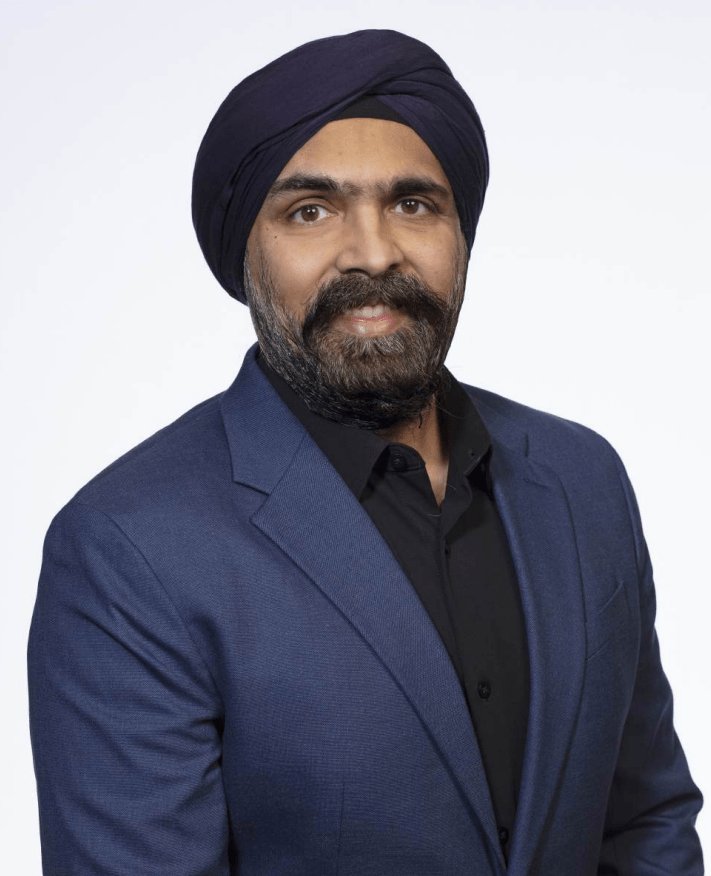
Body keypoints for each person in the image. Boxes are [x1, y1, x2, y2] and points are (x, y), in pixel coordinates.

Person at [27, 29, 703, 876]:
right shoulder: (128, 547)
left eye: (413, 204)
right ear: (245, 250)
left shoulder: (582, 478)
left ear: (460, 233)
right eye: (310, 211)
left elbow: (645, 823)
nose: (374, 253)